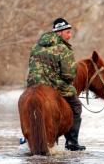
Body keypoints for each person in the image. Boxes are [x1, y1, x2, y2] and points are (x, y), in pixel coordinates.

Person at [26, 18, 86, 151]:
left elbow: (31, 67)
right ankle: (72, 142)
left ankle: (26, 138)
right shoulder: (63, 48)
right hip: (53, 84)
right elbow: (69, 75)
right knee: (76, 105)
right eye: (68, 32)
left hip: (32, 84)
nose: (70, 35)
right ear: (59, 33)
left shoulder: (36, 46)